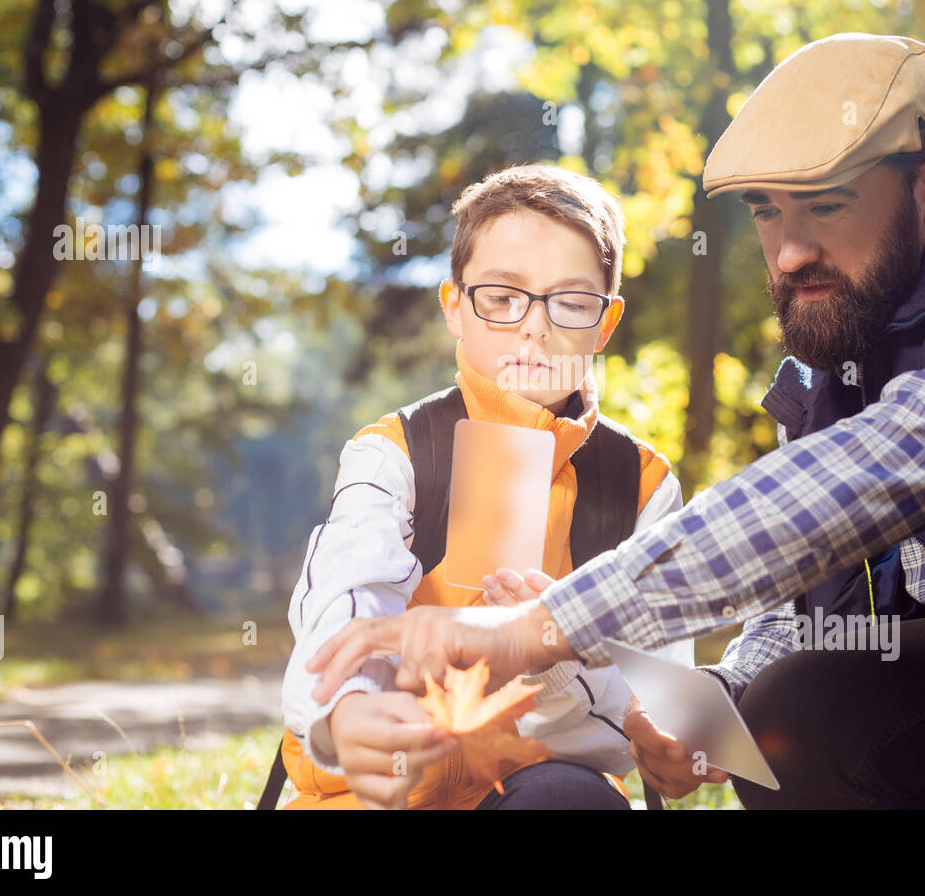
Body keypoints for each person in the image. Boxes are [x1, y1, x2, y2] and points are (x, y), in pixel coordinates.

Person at [306, 33, 925, 809]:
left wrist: (530, 633)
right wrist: (715, 703)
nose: (790, 251)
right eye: (768, 212)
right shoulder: (830, 365)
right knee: (793, 702)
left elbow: (866, 478)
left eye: (825, 206)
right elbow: (793, 593)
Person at [280, 163, 699, 810]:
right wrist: (348, 714)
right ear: (455, 306)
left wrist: (563, 654)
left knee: (569, 798)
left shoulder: (642, 485)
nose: (534, 327)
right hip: (377, 795)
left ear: (606, 322)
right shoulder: (394, 454)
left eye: (570, 300)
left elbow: (654, 697)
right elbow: (344, 610)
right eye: (502, 297)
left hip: (538, 788)